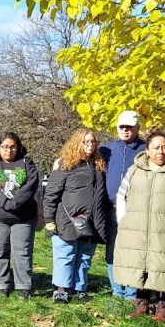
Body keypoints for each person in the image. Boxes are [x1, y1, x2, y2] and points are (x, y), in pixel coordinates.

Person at [113, 131, 165, 323]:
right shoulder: (135, 170)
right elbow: (121, 194)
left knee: (163, 266)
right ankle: (142, 303)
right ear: (148, 150)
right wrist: (123, 220)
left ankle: (162, 306)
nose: (161, 152)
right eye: (157, 147)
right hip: (137, 227)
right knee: (141, 263)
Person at [43, 129, 108, 304]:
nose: (90, 145)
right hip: (67, 220)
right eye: (85, 142)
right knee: (65, 255)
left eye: (93, 142)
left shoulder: (99, 166)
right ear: (76, 143)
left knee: (85, 256)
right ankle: (61, 290)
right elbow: (50, 195)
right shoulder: (65, 166)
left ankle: (80, 288)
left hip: (92, 220)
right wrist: (49, 220)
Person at [0, 131, 39, 299]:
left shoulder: (26, 162)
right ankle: (2, 284)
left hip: (23, 217)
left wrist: (15, 203)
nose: (8, 151)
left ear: (18, 147)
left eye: (12, 147)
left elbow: (31, 185)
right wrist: (4, 203)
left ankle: (23, 286)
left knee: (22, 251)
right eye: (4, 147)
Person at [98, 110, 146, 301]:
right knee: (113, 248)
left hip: (137, 209)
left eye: (129, 127)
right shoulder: (106, 150)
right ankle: (117, 289)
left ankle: (132, 292)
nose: (125, 130)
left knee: (134, 250)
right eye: (122, 127)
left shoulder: (146, 149)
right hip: (111, 208)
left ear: (137, 128)